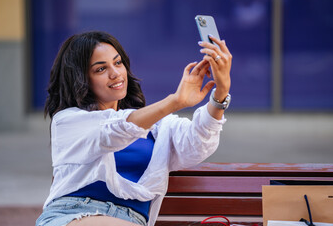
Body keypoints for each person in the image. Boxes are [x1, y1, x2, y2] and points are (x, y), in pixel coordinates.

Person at [36, 31, 232, 226]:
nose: (115, 73)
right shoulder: (68, 121)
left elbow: (198, 143)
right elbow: (115, 129)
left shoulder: (158, 127)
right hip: (74, 215)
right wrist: (175, 101)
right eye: (100, 69)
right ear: (80, 78)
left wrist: (220, 94)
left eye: (118, 62)